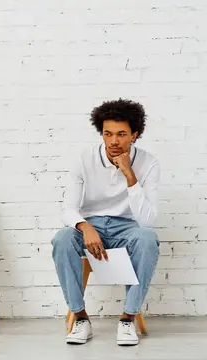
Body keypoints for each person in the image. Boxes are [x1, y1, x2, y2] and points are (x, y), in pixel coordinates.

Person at [52, 99, 160, 346]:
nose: (114, 141)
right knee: (62, 238)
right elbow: (68, 208)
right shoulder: (84, 159)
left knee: (147, 240)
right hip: (91, 225)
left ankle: (127, 319)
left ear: (135, 135)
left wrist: (129, 174)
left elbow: (147, 221)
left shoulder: (149, 163)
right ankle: (80, 318)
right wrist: (85, 226)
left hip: (128, 227)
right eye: (107, 134)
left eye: (122, 134)